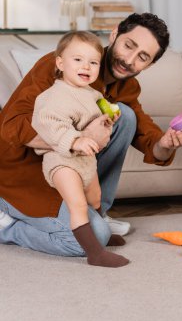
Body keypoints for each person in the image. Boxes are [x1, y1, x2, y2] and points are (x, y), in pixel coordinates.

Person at [0, 12, 182, 259]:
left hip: (69, 173)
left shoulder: (127, 88)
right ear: (114, 34)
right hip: (24, 174)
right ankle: (8, 227)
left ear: (150, 65)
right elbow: (12, 126)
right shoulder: (63, 65)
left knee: (126, 116)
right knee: (91, 241)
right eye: (128, 45)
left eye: (142, 57)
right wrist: (77, 139)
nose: (129, 59)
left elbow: (149, 139)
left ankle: (97, 213)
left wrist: (166, 144)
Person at [31, 31, 129, 267]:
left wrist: (107, 119)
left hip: (86, 160)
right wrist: (75, 141)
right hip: (62, 161)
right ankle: (95, 252)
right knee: (77, 205)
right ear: (60, 63)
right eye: (78, 60)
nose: (86, 66)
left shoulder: (93, 94)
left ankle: (101, 234)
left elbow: (93, 119)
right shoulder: (52, 96)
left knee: (95, 198)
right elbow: (48, 124)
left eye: (93, 62)